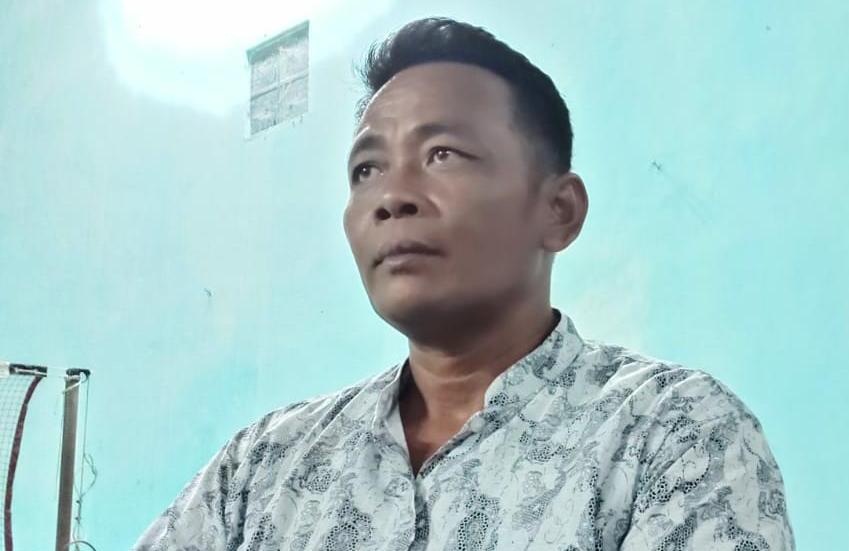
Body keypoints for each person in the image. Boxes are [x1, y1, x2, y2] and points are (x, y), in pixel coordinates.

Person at [133, 17, 795, 550]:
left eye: (442, 154)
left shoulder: (671, 433)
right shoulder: (263, 467)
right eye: (366, 170)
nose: (390, 197)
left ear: (558, 210)